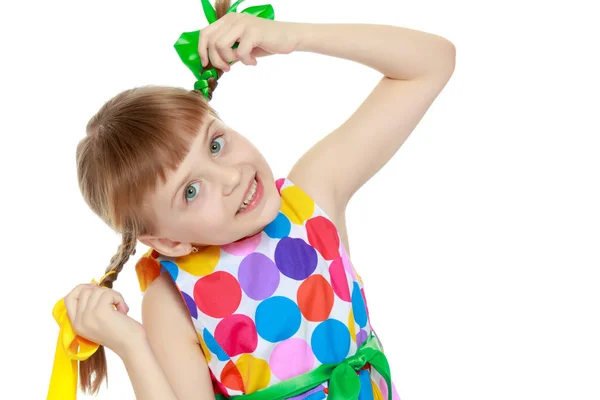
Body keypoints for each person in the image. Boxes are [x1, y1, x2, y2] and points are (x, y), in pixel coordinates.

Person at [48, 0, 455, 399]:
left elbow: (431, 64)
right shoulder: (171, 301)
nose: (230, 177)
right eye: (190, 191)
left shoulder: (311, 197)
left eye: (216, 144)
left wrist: (293, 36)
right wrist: (133, 344)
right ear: (169, 242)